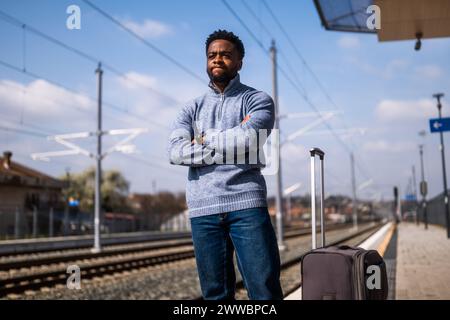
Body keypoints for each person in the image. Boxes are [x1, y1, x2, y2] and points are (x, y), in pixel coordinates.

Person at [167, 29, 283, 300]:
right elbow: (175, 152)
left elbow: (251, 138)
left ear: (239, 62)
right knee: (215, 294)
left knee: (264, 290)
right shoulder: (190, 109)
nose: (217, 60)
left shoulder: (257, 100)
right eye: (212, 55)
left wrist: (203, 140)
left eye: (226, 55)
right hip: (202, 209)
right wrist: (232, 143)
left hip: (247, 205)